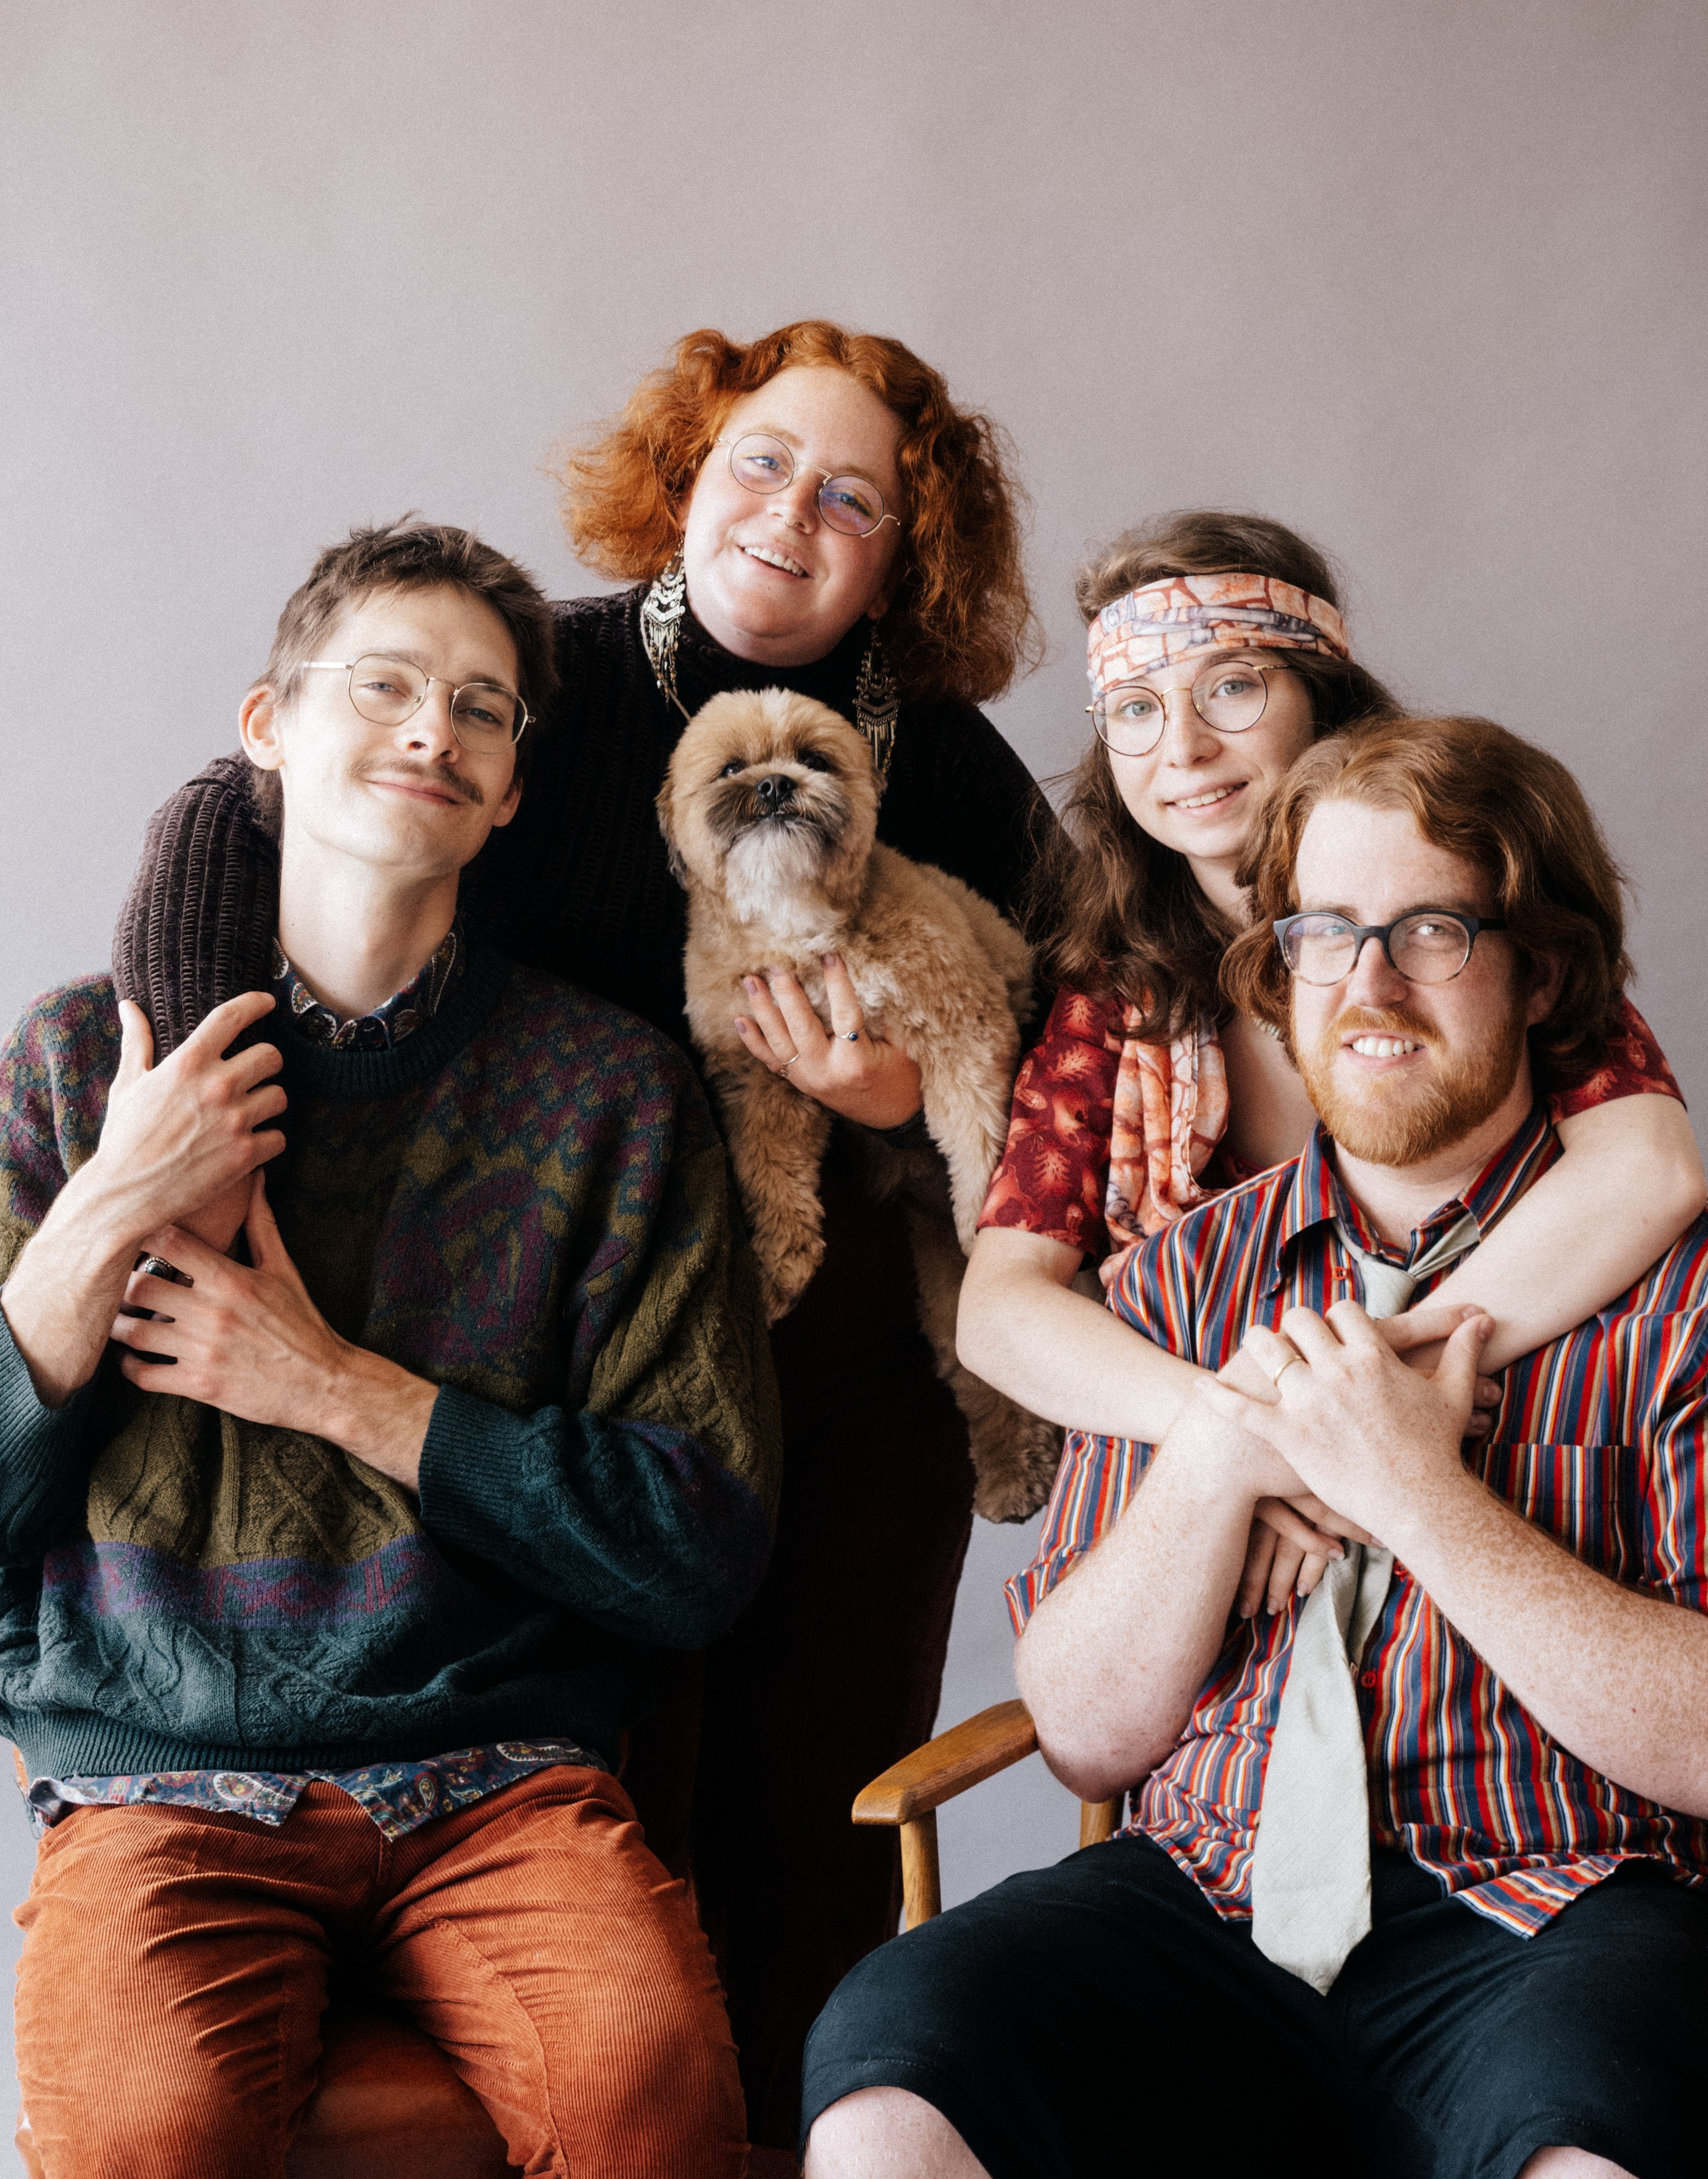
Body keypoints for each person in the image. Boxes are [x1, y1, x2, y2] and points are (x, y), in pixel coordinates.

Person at [105, 322, 1053, 2144]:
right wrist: (197, 1121)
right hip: (566, 1305)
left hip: (837, 1345)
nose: (794, 516)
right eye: (763, 462)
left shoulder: (947, 766)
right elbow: (233, 809)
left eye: (854, 497)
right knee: (597, 1785)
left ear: (904, 550)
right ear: (689, 470)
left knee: (811, 1815)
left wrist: (899, 1126)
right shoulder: (531, 673)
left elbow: (1051, 1059)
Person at [803, 713, 1708, 2179]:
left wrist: (1410, 1490)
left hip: (1556, 1909)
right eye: (1321, 933)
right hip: (1201, 1903)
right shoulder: (1171, 1290)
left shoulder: (1678, 1289)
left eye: (1427, 930)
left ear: (1539, 972)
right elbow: (1089, 1733)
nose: (1365, 983)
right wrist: (1221, 1454)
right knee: (894, 2066)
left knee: (1596, 2134)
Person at [0, 522, 779, 2177]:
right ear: (269, 724)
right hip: (165, 1775)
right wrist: (117, 1200)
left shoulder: (610, 1095)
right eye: (387, 686)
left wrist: (331, 1389)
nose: (434, 729)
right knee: (143, 2135)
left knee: (650, 2099)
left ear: (507, 797)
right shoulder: (78, 1059)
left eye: (481, 711)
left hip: (493, 1772)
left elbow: (693, 1543)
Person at [962, 511, 1703, 1614]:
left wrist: (1370, 1400)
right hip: (1238, 1536)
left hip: (1521, 1476)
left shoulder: (1462, 926)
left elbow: (1651, 1172)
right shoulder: (1115, 1005)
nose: (1184, 748)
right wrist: (1255, 1436)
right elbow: (1001, 1306)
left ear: (1324, 695)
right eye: (1135, 708)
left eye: (1232, 686)